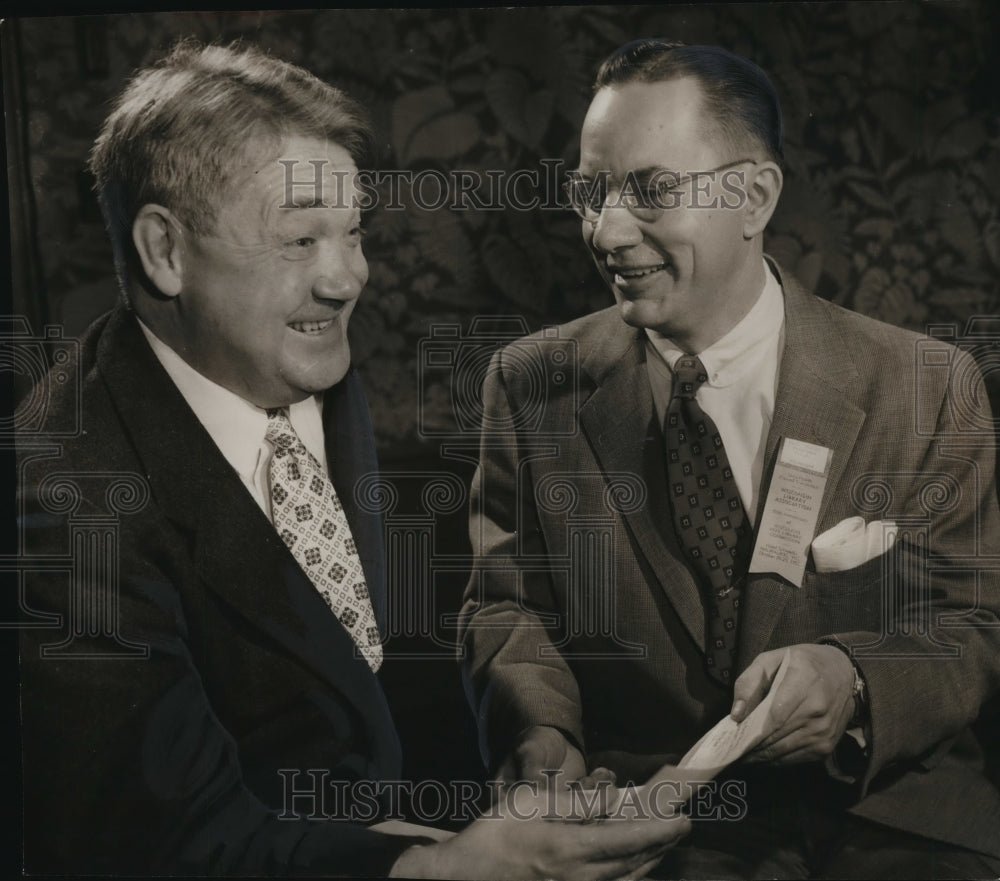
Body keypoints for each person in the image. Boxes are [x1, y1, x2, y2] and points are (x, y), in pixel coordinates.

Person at [16, 39, 690, 878]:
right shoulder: (64, 501)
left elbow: (352, 675)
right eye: (300, 241)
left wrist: (527, 758)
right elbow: (160, 847)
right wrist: (442, 868)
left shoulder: (296, 353)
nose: (346, 280)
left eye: (353, 233)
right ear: (166, 251)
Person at [459, 39, 1000, 878]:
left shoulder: (928, 384)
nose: (605, 230)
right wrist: (542, 737)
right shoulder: (532, 385)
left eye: (650, 191)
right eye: (589, 192)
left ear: (754, 196)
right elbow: (509, 611)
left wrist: (855, 679)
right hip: (666, 830)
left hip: (899, 818)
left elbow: (971, 625)